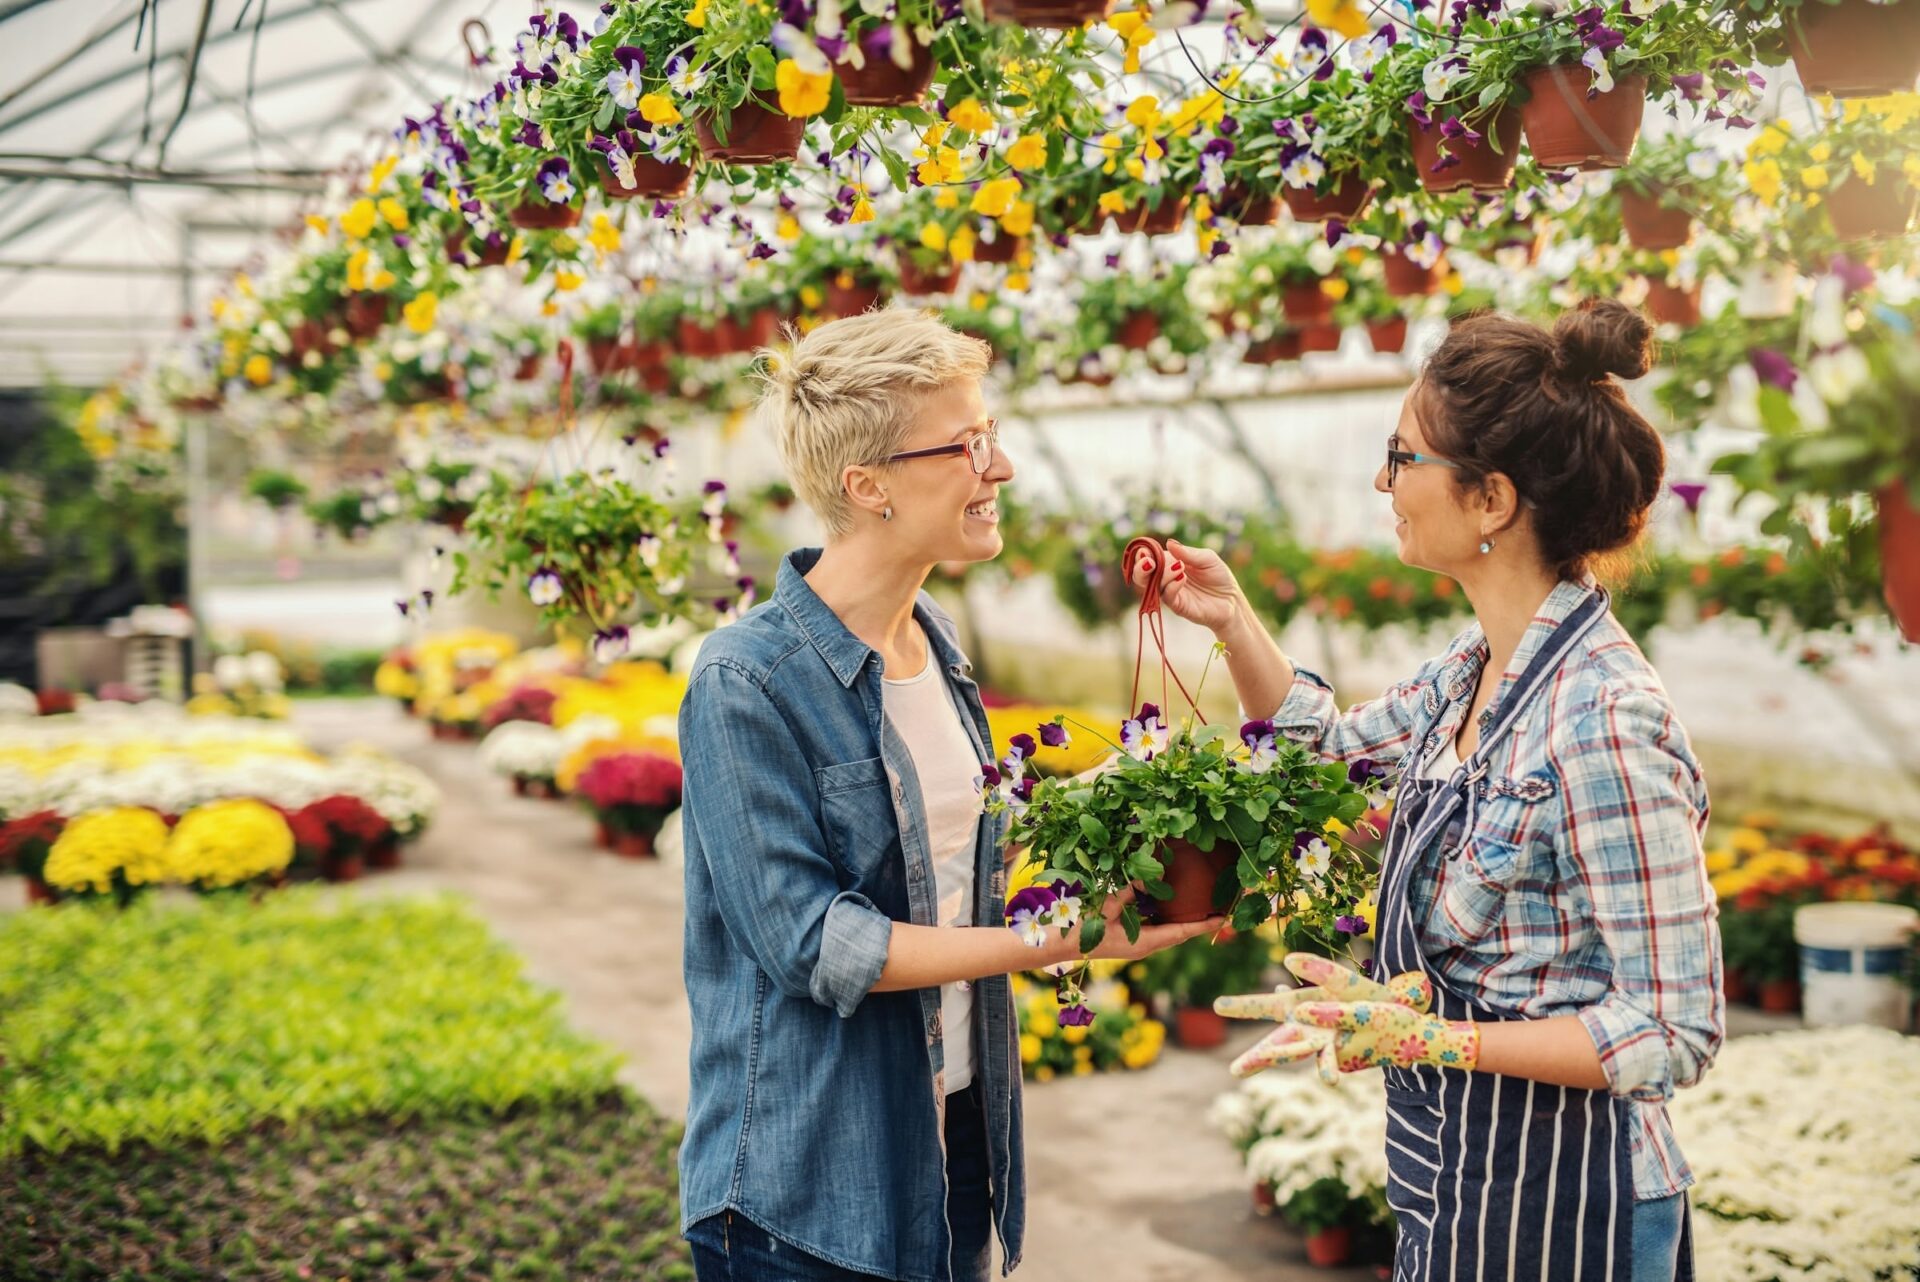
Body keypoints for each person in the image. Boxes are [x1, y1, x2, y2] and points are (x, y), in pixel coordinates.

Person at [1134, 299, 1724, 1282]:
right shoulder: (1473, 671)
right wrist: (1232, 620)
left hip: (1572, 1203)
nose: (1383, 481)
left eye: (1403, 458)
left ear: (1492, 499)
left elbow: (1671, 1029)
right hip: (1459, 1172)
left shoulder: (1603, 721)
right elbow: (1331, 760)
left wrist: (1438, 1038)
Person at [677, 309, 1221, 1282]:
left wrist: (1109, 810)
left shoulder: (935, 646)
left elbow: (948, 860)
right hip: (807, 1192)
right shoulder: (744, 681)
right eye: (968, 444)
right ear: (868, 484)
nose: (1000, 466)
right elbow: (813, 941)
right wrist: (1058, 941)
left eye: (995, 435)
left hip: (955, 1146)